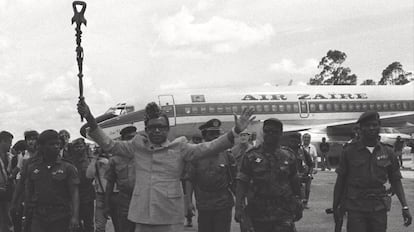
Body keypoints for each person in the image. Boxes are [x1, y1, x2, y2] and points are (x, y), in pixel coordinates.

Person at [77, 100, 254, 232]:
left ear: (167, 130)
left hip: (169, 214)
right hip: (142, 214)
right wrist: (91, 119)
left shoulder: (180, 147)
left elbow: (208, 147)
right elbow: (110, 145)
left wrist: (235, 132)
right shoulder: (136, 146)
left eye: (161, 127)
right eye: (152, 127)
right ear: (146, 129)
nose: (156, 131)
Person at [333, 111, 412, 232]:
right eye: (367, 125)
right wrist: (336, 206)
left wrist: (405, 206)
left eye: (374, 125)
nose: (371, 128)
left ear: (379, 126)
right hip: (356, 208)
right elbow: (340, 181)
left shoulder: (387, 151)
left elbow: (396, 180)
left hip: (378, 208)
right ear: (361, 128)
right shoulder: (349, 151)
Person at [235, 118, 302, 232]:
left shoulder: (288, 156)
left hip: (283, 213)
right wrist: (238, 207)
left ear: (281, 134)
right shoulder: (251, 156)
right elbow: (242, 182)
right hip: (258, 214)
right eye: (267, 131)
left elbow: (294, 181)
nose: (270, 134)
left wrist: (299, 202)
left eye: (274, 132)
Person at [185, 119, 237, 232]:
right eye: (211, 134)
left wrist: (240, 203)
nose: (215, 137)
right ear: (204, 135)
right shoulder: (196, 155)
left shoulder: (227, 155)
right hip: (204, 206)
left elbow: (234, 180)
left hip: (223, 205)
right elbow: (189, 179)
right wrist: (188, 202)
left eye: (217, 134)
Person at [23, 130, 80, 232]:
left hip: (61, 217)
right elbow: (28, 193)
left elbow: (74, 193)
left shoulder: (68, 167)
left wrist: (75, 217)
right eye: (51, 144)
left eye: (58, 144)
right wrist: (26, 214)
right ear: (41, 146)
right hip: (38, 217)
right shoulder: (32, 168)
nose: (56, 147)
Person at [105, 126, 137, 232]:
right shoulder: (114, 159)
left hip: (142, 198)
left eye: (134, 137)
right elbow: (109, 183)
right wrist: (106, 205)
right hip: (124, 200)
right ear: (122, 140)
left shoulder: (144, 155)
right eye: (129, 138)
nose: (131, 141)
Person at [10, 130, 39, 232]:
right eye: (28, 139)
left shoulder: (43, 155)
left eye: (33, 139)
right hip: (25, 188)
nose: (31, 142)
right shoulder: (23, 155)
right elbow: (18, 170)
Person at [66, 138, 95, 232]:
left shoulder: (90, 160)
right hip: (73, 195)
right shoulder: (69, 161)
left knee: (88, 223)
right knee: (75, 223)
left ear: (84, 146)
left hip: (87, 195)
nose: (78, 149)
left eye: (80, 146)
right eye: (76, 147)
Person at [86, 146, 118, 232]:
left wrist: (108, 162)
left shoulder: (117, 157)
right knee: (100, 227)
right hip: (101, 195)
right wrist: (94, 159)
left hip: (116, 194)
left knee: (120, 225)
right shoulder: (97, 161)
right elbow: (89, 175)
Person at [283, 133, 313, 209]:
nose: (294, 142)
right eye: (292, 140)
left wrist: (309, 174)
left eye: (296, 140)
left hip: (301, 175)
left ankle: (303, 203)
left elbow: (310, 163)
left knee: (305, 190)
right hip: (288, 177)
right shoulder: (284, 151)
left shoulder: (302, 151)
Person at [0, 131, 13, 232]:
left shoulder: (10, 157)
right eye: (9, 142)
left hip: (6, 192)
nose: (11, 145)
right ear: (2, 141)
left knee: (7, 219)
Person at [301, 133, 317, 208]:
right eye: (305, 137)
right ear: (302, 139)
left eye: (308, 138)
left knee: (307, 188)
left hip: (308, 170)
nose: (306, 139)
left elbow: (315, 158)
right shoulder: (300, 147)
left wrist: (315, 168)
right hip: (300, 170)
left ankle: (305, 203)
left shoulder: (312, 147)